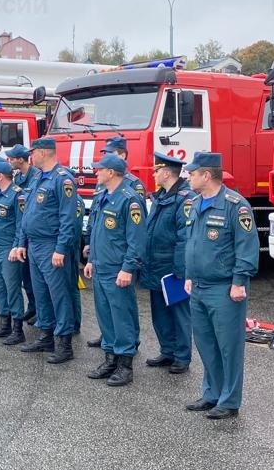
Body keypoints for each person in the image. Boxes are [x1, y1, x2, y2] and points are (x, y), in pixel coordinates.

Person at [182, 151, 259, 419]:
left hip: (224, 288)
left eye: (192, 173)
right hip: (199, 286)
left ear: (207, 175)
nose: (188, 177)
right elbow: (192, 243)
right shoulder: (194, 203)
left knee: (229, 346)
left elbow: (246, 247)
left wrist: (239, 281)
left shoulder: (235, 206)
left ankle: (229, 400)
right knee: (206, 343)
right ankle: (212, 393)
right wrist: (189, 275)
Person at [14, 137, 81, 364]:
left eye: (34, 151)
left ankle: (64, 342)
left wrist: (61, 248)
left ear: (44, 152)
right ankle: (46, 335)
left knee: (59, 295)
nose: (31, 155)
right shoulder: (39, 179)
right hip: (34, 244)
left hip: (51, 245)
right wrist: (22, 242)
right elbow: (28, 215)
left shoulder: (62, 180)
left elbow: (68, 218)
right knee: (41, 293)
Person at [84, 154, 146, 385]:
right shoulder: (103, 196)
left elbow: (137, 240)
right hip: (101, 266)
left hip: (117, 269)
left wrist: (128, 268)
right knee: (105, 316)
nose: (96, 173)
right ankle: (110, 358)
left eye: (99, 170)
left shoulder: (129, 200)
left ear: (111, 172)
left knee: (122, 317)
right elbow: (99, 233)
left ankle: (125, 365)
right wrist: (91, 259)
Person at [139, 152, 193, 375]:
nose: (153, 174)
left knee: (178, 312)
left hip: (172, 267)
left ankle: (182, 356)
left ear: (167, 173)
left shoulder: (184, 198)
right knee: (159, 312)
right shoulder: (160, 196)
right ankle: (167, 350)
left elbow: (184, 237)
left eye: (156, 170)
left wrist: (180, 270)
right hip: (155, 264)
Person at [0, 159, 26, 345]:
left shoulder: (17, 195)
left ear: (0, 176)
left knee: (12, 289)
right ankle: (5, 323)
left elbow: (20, 224)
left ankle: (17, 329)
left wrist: (16, 246)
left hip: (9, 249)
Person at [6, 143, 39, 322]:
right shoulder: (18, 177)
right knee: (26, 276)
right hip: (21, 232)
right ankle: (33, 307)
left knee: (36, 279)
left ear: (20, 159)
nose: (9, 161)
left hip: (32, 234)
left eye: (12, 158)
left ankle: (41, 312)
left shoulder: (35, 176)